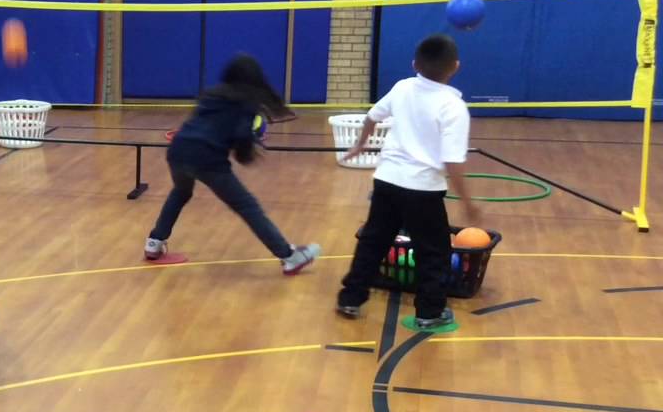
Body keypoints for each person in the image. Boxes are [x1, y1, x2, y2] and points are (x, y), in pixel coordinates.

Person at [336, 33, 480, 328]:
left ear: (415, 64)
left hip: (386, 181)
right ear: (455, 67)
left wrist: (361, 145)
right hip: (423, 191)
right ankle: (430, 312)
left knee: (373, 241)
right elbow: (452, 161)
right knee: (434, 251)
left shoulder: (402, 87)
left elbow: (371, 117)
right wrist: (468, 202)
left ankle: (351, 297)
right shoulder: (453, 107)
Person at [144, 54, 321, 275]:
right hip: (207, 159)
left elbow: (204, 124)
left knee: (180, 192)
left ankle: (154, 243)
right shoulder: (246, 104)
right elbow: (241, 140)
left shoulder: (212, 94)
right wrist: (250, 145)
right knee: (247, 206)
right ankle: (289, 256)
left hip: (178, 151)